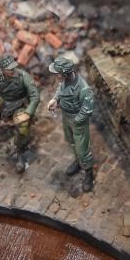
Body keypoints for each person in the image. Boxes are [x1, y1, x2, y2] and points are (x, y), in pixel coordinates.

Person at [46, 57, 96, 193]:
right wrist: (55, 100)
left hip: (78, 121)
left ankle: (89, 173)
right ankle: (78, 162)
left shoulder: (83, 88)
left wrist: (77, 120)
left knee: (82, 150)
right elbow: (60, 89)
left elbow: (87, 109)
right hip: (66, 117)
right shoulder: (64, 80)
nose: (55, 76)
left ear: (65, 73)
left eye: (57, 74)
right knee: (71, 142)